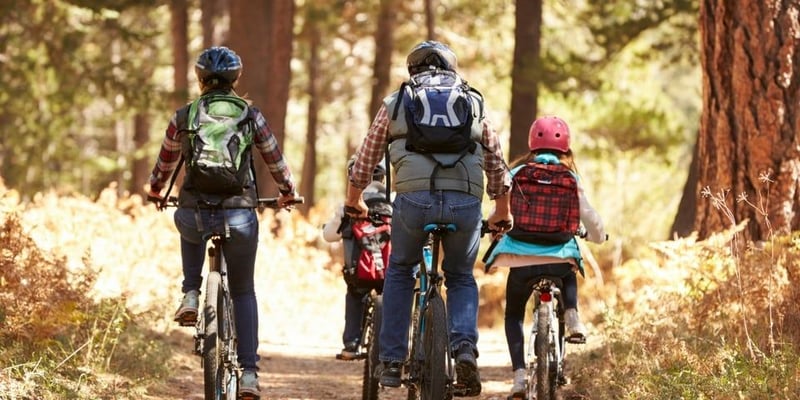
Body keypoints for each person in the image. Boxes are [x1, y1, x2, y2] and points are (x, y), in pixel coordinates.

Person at [345, 40, 512, 396]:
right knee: (461, 276)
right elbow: (495, 159)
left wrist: (353, 201)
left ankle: (390, 361)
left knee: (401, 270)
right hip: (465, 203)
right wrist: (502, 209)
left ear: (412, 70)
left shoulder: (397, 101)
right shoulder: (474, 101)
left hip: (413, 202)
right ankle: (464, 349)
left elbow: (365, 160)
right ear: (452, 69)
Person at [147, 46, 297, 399]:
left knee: (190, 223)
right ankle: (248, 374)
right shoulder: (250, 115)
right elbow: (274, 159)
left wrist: (156, 191)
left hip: (194, 209)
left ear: (200, 79)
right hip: (239, 211)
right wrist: (288, 191)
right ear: (235, 80)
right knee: (243, 290)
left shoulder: (184, 116)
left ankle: (191, 292)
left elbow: (165, 164)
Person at [483, 115, 606, 398]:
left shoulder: (517, 173)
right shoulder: (570, 178)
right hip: (558, 255)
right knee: (569, 267)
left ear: (532, 143)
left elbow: (499, 213)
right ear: (566, 147)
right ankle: (572, 315)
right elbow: (590, 217)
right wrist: (599, 237)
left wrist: (494, 233)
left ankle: (518, 377)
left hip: (521, 257)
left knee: (514, 315)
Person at [322, 157, 389, 360]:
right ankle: (394, 348)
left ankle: (351, 343)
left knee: (355, 295)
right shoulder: (392, 201)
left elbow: (329, 236)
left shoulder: (348, 207)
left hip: (358, 272)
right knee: (396, 297)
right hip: (390, 271)